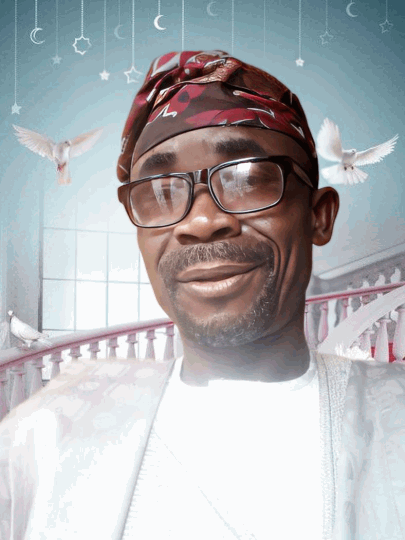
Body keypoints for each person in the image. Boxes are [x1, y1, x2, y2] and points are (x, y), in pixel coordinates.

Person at [1, 50, 405, 540]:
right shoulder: (42, 441)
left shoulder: (393, 423)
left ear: (319, 216)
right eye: (160, 191)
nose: (201, 222)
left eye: (248, 179)